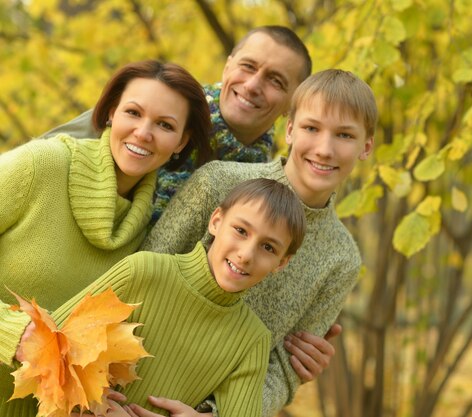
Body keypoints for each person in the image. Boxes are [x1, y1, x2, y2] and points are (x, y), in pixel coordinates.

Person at [137, 69, 378, 417]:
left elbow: (283, 369)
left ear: (365, 147)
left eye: (344, 135)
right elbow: (145, 271)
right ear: (291, 129)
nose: (324, 149)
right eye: (312, 128)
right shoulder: (218, 183)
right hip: (127, 384)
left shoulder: (342, 259)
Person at [0, 59, 212, 416]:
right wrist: (12, 331)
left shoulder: (150, 235)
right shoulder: (41, 165)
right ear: (111, 112)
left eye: (164, 125)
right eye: (133, 112)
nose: (144, 133)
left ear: (181, 142)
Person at [0, 178, 306, 417]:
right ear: (216, 221)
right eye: (241, 230)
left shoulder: (251, 340)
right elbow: (46, 346)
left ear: (281, 263)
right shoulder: (144, 271)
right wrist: (92, 403)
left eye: (268, 248)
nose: (247, 253)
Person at [41, 25, 313, 226]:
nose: (253, 85)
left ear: (292, 104)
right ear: (228, 66)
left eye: (275, 81)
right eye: (248, 66)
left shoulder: (262, 186)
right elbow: (40, 161)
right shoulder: (158, 107)